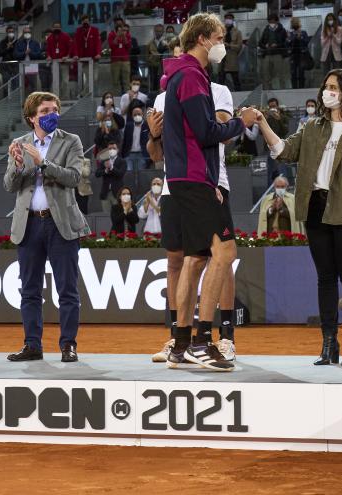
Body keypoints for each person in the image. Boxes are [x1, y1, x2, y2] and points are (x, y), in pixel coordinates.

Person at [254, 69, 342, 367]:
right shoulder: (312, 127)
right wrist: (263, 123)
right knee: (325, 278)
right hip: (316, 206)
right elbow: (284, 151)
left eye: (333, 87)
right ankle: (329, 343)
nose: (327, 92)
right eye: (326, 86)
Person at [162, 13, 259, 371]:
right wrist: (241, 122)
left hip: (188, 177)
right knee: (225, 251)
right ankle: (202, 341)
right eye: (219, 36)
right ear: (203, 39)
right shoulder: (190, 76)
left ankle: (181, 343)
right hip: (193, 176)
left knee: (196, 258)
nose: (223, 43)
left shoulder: (185, 74)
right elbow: (205, 132)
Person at [148, 40, 242, 364]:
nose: (178, 57)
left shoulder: (211, 88)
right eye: (218, 38)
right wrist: (152, 135)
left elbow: (212, 131)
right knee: (205, 256)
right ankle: (192, 342)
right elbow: (202, 134)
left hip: (200, 179)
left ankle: (205, 339)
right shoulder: (179, 84)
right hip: (189, 182)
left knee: (207, 257)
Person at [3, 91, 89, 362]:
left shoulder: (70, 141)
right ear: (32, 118)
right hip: (28, 224)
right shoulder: (19, 143)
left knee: (67, 289)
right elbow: (9, 185)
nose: (51, 115)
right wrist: (18, 166)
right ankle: (32, 345)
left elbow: (74, 177)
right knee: (29, 290)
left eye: (54, 110)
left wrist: (44, 163)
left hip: (60, 222)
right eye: (44, 112)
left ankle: (68, 345)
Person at [259, 14, 289, 91]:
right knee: (266, 74)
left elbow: (285, 43)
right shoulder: (266, 30)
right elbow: (260, 43)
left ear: (276, 21)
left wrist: (277, 45)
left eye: (273, 20)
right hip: (267, 54)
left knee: (280, 74)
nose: (271, 22)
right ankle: (268, 91)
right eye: (270, 20)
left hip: (278, 54)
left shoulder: (282, 30)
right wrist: (265, 45)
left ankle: (282, 90)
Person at [74, 15, 101, 97]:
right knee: (89, 78)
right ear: (82, 22)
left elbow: (98, 43)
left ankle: (83, 94)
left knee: (94, 78)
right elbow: (76, 44)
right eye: (84, 21)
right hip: (84, 59)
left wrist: (98, 53)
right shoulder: (79, 31)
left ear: (89, 21)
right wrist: (76, 55)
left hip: (94, 59)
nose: (85, 22)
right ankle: (87, 95)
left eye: (87, 21)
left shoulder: (95, 30)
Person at [94, 143, 125, 212]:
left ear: (118, 150)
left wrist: (111, 167)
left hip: (117, 193)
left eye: (114, 148)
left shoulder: (122, 162)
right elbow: (97, 174)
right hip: (105, 193)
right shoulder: (103, 162)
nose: (112, 150)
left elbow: (120, 174)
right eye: (110, 149)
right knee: (106, 217)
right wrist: (105, 170)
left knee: (118, 215)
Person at [121, 104, 150, 170]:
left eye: (139, 114)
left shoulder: (147, 126)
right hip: (129, 154)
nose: (137, 116)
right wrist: (123, 155)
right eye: (135, 114)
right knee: (129, 172)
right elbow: (125, 141)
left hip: (142, 154)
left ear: (142, 115)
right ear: (132, 116)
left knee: (141, 173)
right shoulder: (128, 126)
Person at [13, 26, 42, 91]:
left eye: (28, 32)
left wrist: (30, 53)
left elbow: (39, 54)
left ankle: (33, 100)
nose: (27, 33)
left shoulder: (35, 43)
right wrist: (24, 53)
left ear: (31, 33)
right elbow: (15, 55)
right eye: (25, 32)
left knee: (33, 85)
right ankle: (24, 100)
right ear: (23, 33)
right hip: (22, 66)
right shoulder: (19, 43)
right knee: (22, 85)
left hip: (32, 66)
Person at [219, 14, 242, 91]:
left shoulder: (237, 32)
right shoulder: (220, 31)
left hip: (232, 58)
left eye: (230, 18)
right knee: (221, 81)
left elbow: (239, 46)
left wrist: (229, 45)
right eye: (226, 18)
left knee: (236, 80)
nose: (228, 20)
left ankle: (238, 95)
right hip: (222, 59)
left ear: (233, 20)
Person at [108, 24, 132, 95]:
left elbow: (128, 46)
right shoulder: (111, 34)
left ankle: (127, 95)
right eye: (120, 30)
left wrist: (124, 36)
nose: (122, 31)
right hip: (115, 60)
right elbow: (112, 46)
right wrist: (117, 36)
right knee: (115, 80)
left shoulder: (127, 35)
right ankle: (116, 95)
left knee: (126, 80)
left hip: (125, 60)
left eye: (123, 30)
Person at [288, 17, 309, 89]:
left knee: (301, 72)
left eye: (296, 23)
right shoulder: (290, 34)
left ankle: (302, 88)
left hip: (302, 55)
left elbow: (306, 42)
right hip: (293, 56)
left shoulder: (304, 32)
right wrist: (294, 38)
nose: (295, 24)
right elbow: (289, 44)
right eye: (293, 23)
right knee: (293, 73)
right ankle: (294, 88)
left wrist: (301, 38)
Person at [147, 24, 168, 92]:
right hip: (153, 66)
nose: (158, 33)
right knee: (153, 82)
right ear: (154, 31)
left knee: (163, 83)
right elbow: (147, 56)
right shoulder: (149, 43)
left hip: (164, 66)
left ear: (163, 31)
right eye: (157, 31)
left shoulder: (167, 42)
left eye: (160, 31)